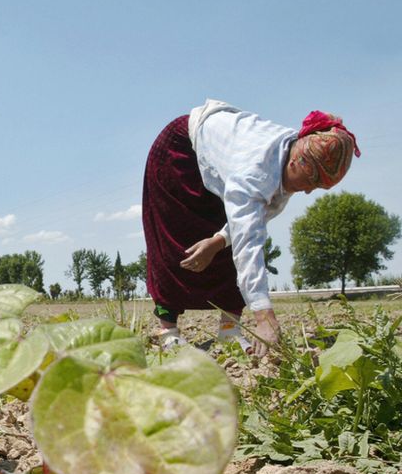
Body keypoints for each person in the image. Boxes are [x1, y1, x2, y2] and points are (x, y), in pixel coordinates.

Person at [142, 100, 360, 357]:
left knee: (220, 247)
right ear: (295, 164)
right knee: (176, 240)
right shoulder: (255, 172)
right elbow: (248, 241)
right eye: (311, 182)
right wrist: (263, 316)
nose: (309, 190)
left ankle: (229, 329)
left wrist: (218, 240)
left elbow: (255, 219)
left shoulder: (290, 156)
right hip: (178, 154)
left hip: (223, 166)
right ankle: (168, 331)